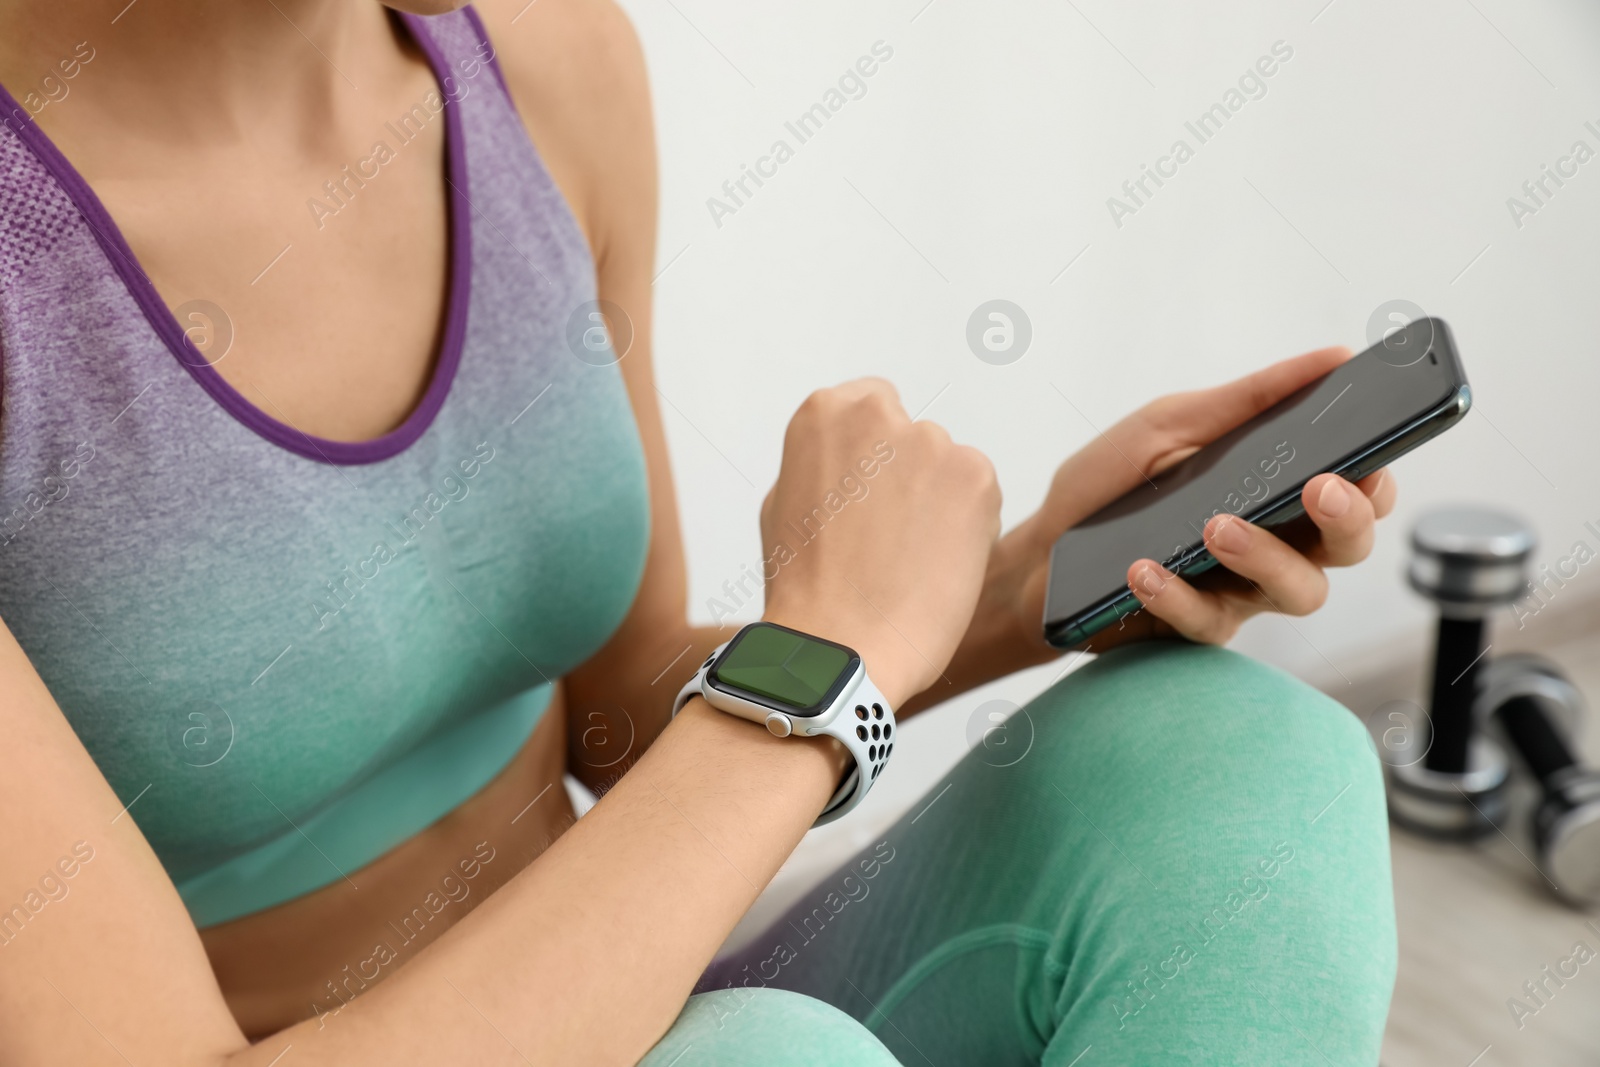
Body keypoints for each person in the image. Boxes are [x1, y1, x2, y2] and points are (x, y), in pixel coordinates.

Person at [0, 2, 1396, 1063]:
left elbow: (615, 703)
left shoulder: (537, 60)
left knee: (1241, 757)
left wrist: (1014, 591)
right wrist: (821, 660)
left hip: (640, 1004)